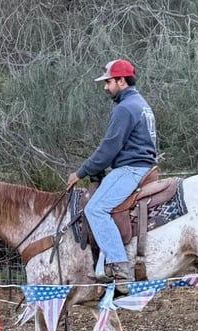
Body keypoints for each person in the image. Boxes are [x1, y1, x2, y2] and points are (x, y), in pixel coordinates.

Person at [66, 58, 157, 282]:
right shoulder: (140, 104)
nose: (106, 87)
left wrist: (81, 172)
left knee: (95, 209)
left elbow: (109, 148)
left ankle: (119, 266)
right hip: (142, 166)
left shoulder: (125, 109)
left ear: (121, 81)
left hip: (131, 169)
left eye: (109, 82)